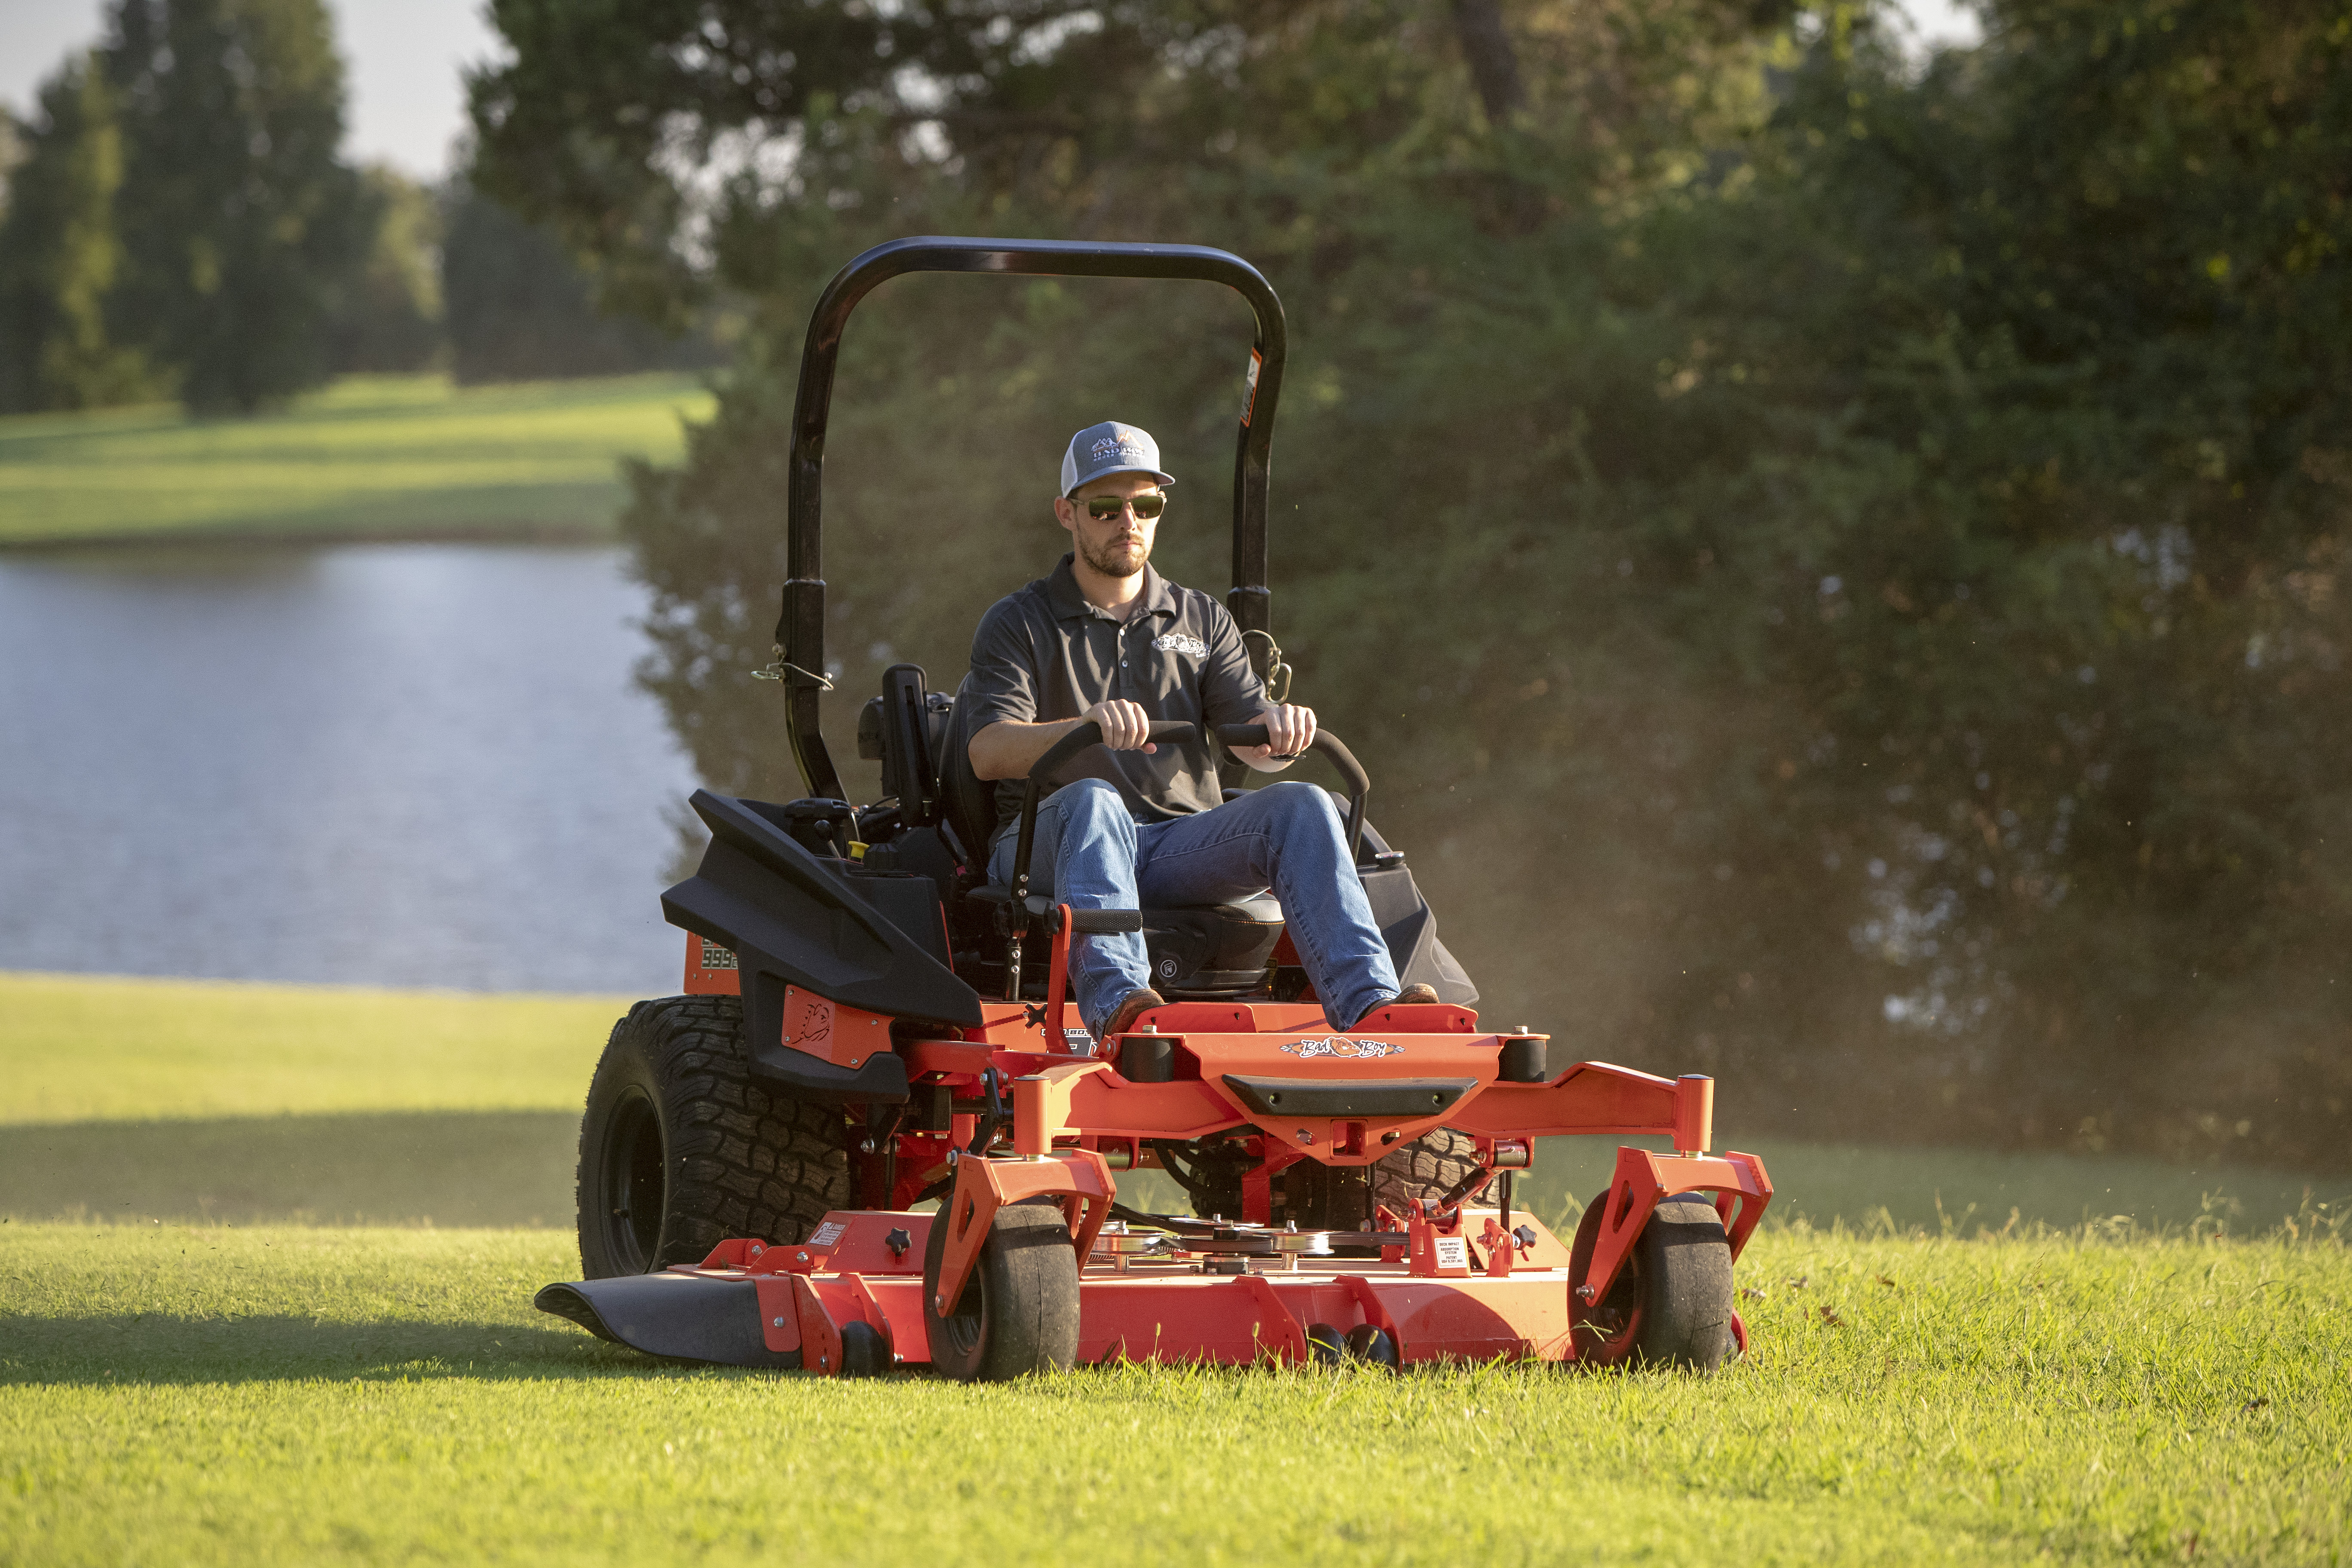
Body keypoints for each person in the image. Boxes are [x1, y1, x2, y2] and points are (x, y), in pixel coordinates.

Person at [963, 420, 1437, 1042]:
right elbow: (986, 752)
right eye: (1106, 506)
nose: (1127, 520)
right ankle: (1121, 1004)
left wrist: (1279, 729)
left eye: (1145, 504)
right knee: (1095, 802)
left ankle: (1372, 1004)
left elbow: (1249, 735)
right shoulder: (1019, 622)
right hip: (1046, 846)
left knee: (1304, 804)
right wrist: (1082, 727)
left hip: (1174, 847)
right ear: (1067, 513)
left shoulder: (1202, 618)